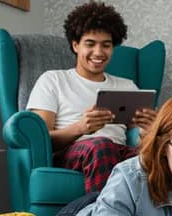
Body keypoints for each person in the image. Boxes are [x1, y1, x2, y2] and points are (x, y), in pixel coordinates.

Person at [26, 2, 157, 193]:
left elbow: (139, 138)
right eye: (90, 44)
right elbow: (42, 137)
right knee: (101, 146)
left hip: (117, 151)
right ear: (76, 45)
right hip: (74, 152)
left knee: (160, 155)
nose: (98, 52)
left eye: (106, 45)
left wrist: (151, 129)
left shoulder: (126, 86)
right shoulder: (53, 80)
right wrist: (80, 128)